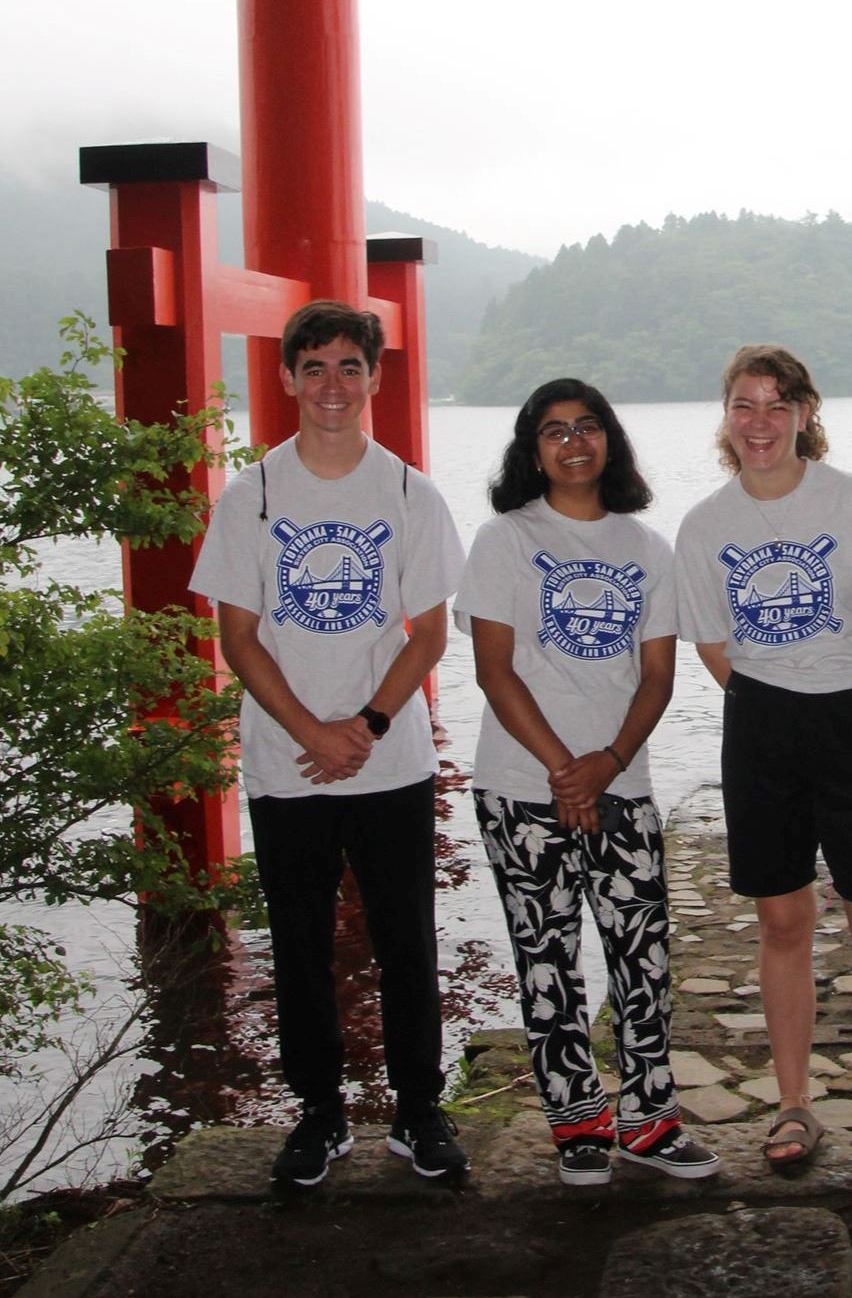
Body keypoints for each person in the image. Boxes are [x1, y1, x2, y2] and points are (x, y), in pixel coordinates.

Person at [187, 299, 470, 1188]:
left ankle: (418, 1110)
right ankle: (320, 1111)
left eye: (351, 366)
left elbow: (428, 631)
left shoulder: (407, 492)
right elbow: (239, 636)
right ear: (285, 379)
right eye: (314, 368)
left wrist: (369, 724)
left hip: (391, 759)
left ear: (375, 378)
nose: (333, 386)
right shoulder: (253, 496)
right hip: (286, 763)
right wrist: (313, 730)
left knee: (406, 941)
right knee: (299, 942)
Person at [672, 345, 852, 1186]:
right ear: (726, 419)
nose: (759, 421)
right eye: (743, 405)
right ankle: (794, 1101)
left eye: (775, 404)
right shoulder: (704, 525)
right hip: (759, 722)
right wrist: (776, 696)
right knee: (782, 922)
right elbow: (713, 645)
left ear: (805, 412)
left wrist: (839, 686)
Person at [456, 379, 726, 1186]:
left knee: (641, 955)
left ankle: (650, 1117)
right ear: (529, 449)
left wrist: (603, 765)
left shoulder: (649, 549)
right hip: (519, 784)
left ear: (610, 439)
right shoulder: (503, 539)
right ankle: (576, 1120)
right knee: (548, 956)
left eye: (588, 427)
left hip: (621, 783)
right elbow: (494, 671)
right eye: (553, 431)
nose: (573, 442)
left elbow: (657, 677)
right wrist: (561, 769)